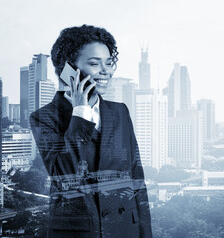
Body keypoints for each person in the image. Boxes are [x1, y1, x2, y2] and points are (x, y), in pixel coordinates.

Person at [30, 24, 152, 238]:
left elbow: (137, 180)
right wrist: (80, 113)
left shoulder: (120, 112)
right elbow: (64, 174)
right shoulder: (45, 117)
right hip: (80, 233)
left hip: (125, 229)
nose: (106, 71)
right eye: (95, 63)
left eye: (109, 63)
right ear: (69, 69)